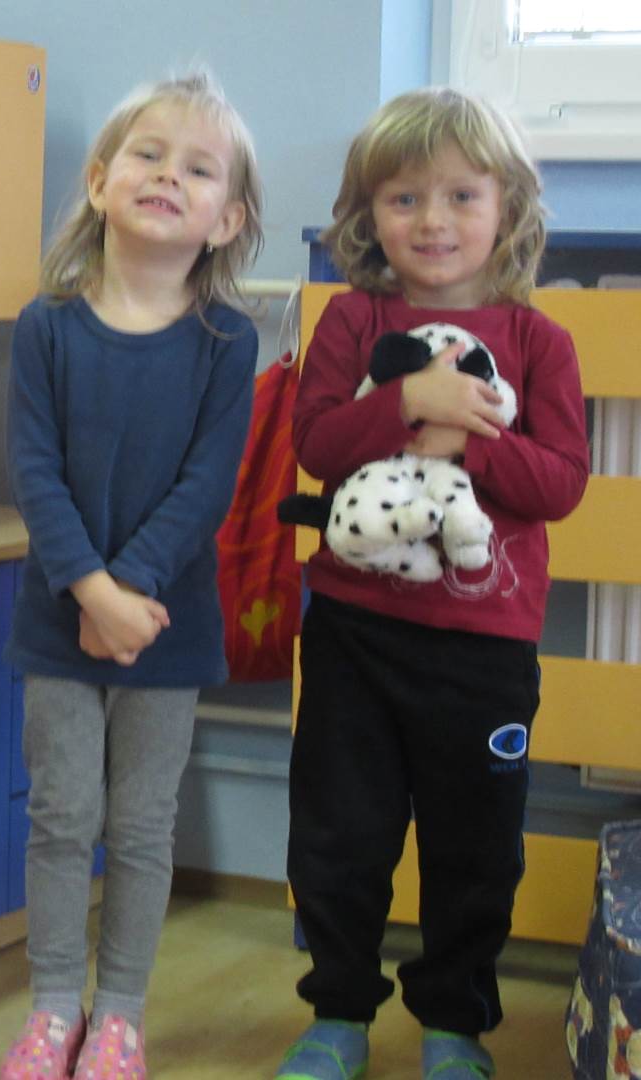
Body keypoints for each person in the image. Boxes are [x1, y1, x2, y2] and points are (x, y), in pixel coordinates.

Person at [275, 87, 589, 1080]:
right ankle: (338, 1012)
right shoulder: (352, 320)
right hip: (355, 635)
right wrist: (409, 397)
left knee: (475, 847)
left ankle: (455, 1025)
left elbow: (560, 485)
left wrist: (467, 437)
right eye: (404, 198)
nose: (433, 220)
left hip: (485, 652)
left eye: (461, 195)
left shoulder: (541, 343)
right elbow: (319, 444)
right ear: (369, 215)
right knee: (340, 835)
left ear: (508, 207)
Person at [0, 72, 263, 1080]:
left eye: (198, 168)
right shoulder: (45, 327)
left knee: (143, 826)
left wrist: (129, 593)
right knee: (62, 816)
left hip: (165, 624)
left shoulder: (227, 343)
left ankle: (118, 1019)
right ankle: (51, 1010)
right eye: (148, 155)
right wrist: (89, 591)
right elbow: (34, 472)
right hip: (58, 620)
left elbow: (207, 488)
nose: (167, 176)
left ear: (226, 218)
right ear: (101, 180)